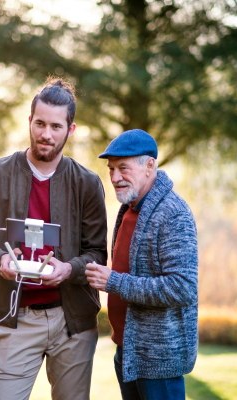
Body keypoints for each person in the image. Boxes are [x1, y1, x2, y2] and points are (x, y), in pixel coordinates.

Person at [0, 77, 108, 400]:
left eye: (56, 126)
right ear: (29, 121)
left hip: (73, 322)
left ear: (70, 130)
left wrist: (68, 269)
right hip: (16, 318)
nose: (46, 134)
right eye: (40, 123)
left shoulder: (87, 184)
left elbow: (98, 253)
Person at [85, 129, 198, 400]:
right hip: (128, 353)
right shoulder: (129, 209)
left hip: (159, 363)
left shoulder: (173, 213)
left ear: (150, 166)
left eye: (123, 168)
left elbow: (183, 288)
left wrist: (114, 282)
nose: (114, 178)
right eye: (111, 169)